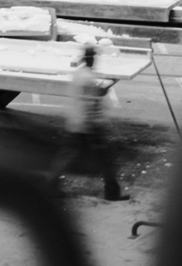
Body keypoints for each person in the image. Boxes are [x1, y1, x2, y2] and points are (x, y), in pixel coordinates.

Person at [53, 44, 128, 201]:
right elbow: (89, 103)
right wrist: (95, 127)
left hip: (75, 123)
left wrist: (99, 91)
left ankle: (51, 187)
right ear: (91, 59)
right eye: (94, 58)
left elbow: (85, 95)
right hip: (88, 125)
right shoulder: (87, 78)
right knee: (107, 159)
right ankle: (112, 193)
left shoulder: (79, 74)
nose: (95, 60)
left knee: (66, 157)